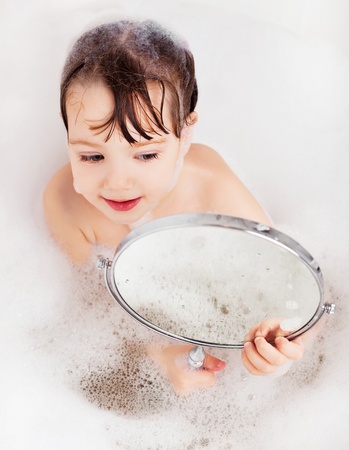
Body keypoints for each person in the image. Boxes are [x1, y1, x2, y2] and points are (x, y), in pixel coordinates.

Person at [44, 19, 306, 396]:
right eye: (90, 156)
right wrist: (154, 355)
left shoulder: (211, 190)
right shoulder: (66, 204)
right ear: (67, 130)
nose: (118, 182)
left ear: (185, 133)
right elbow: (87, 315)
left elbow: (295, 292)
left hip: (228, 367)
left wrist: (278, 353)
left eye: (146, 154)